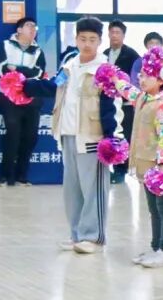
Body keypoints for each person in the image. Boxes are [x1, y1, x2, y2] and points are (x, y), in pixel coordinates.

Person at [23, 17, 120, 254]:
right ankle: (76, 234)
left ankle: (93, 236)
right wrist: (25, 85)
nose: (87, 44)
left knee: (93, 188)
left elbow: (111, 106)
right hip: (67, 134)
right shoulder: (69, 65)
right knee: (72, 190)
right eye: (83, 39)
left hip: (92, 136)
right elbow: (53, 86)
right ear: (76, 39)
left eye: (92, 40)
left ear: (100, 41)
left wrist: (111, 137)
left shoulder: (105, 70)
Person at [106, 56, 163, 268]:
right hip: (145, 163)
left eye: (148, 76)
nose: (142, 79)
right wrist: (114, 79)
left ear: (161, 80)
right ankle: (155, 247)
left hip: (158, 165)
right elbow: (127, 91)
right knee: (153, 207)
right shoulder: (143, 98)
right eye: (141, 75)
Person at [0, 16, 47, 187]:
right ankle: (4, 176)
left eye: (35, 27)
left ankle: (22, 176)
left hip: (30, 97)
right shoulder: (5, 46)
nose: (33, 29)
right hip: (8, 97)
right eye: (29, 26)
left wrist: (17, 69)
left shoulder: (38, 51)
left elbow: (39, 73)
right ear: (19, 30)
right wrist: (25, 71)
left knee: (31, 136)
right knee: (13, 133)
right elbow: (1, 69)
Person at [105, 20, 141, 184]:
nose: (114, 35)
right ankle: (109, 167)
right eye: (112, 32)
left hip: (126, 104)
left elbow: (136, 79)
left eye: (117, 32)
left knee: (123, 136)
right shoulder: (104, 54)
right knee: (109, 135)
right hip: (108, 103)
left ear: (123, 35)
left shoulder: (132, 55)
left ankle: (121, 170)